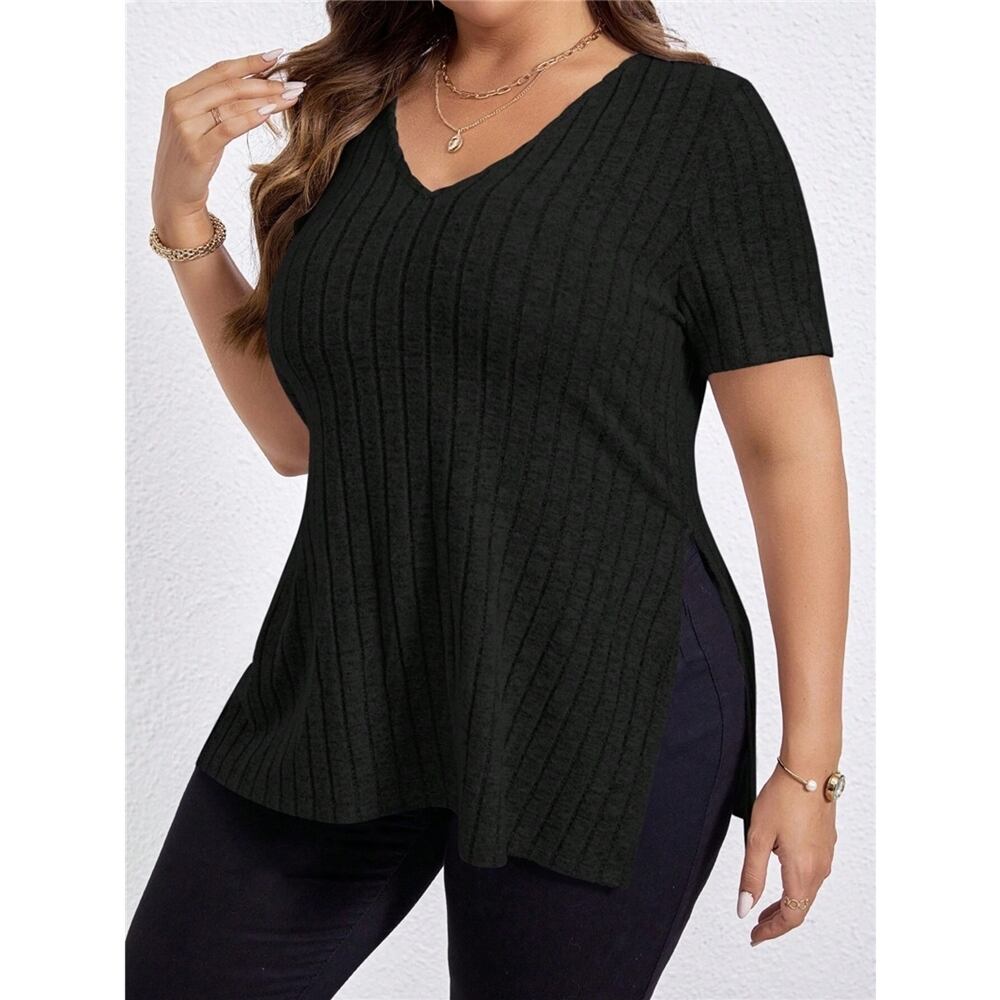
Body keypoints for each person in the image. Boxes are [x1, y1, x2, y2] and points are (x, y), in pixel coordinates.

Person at [127, 2, 850, 997]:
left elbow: (788, 452)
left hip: (601, 694)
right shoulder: (348, 112)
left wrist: (810, 764)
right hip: (348, 683)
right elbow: (299, 437)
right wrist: (183, 218)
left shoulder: (700, 125)